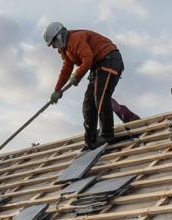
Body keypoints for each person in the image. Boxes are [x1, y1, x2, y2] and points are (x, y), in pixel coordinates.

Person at [44, 22, 130, 150]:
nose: (54, 47)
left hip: (109, 59)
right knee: (88, 104)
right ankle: (90, 140)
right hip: (97, 66)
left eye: (54, 43)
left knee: (100, 96)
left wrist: (77, 76)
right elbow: (67, 69)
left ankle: (107, 134)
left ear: (59, 35)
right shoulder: (65, 50)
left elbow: (87, 58)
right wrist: (57, 90)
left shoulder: (75, 39)